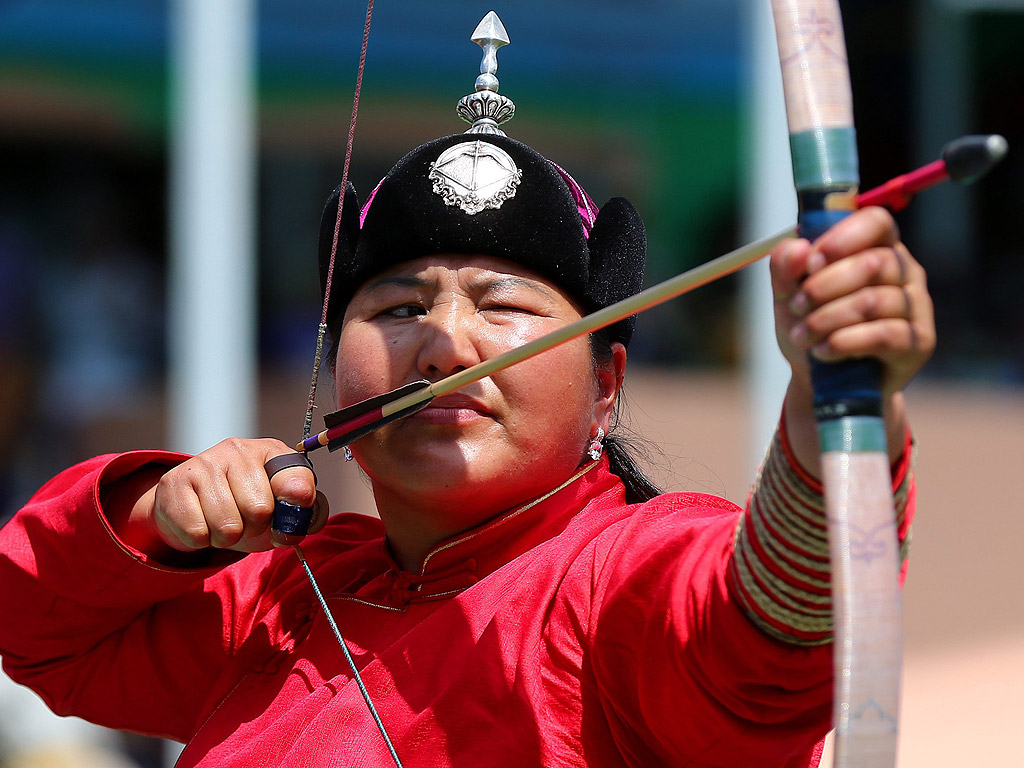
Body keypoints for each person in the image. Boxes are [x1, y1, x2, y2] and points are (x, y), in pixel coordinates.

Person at [0, 23, 933, 768]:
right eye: (400, 306)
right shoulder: (286, 595)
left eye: (504, 305)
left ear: (605, 387)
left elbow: (772, 639)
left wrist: (835, 400)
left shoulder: (622, 577)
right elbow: (31, 628)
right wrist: (152, 519)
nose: (446, 343)